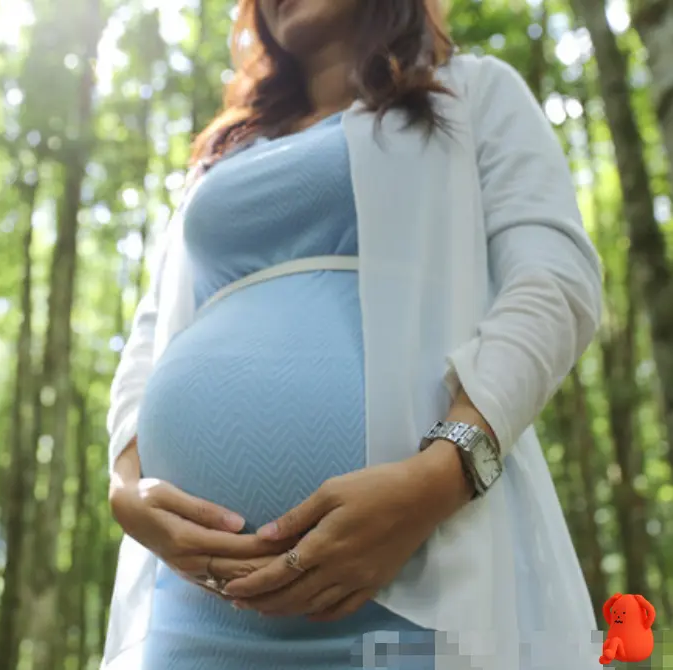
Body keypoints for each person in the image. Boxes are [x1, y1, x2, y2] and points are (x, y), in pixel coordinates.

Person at [104, 0, 604, 668]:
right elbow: (148, 338)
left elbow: (556, 280)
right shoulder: (220, 159)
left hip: (413, 583)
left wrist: (439, 477)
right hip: (193, 604)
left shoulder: (473, 89)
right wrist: (126, 485)